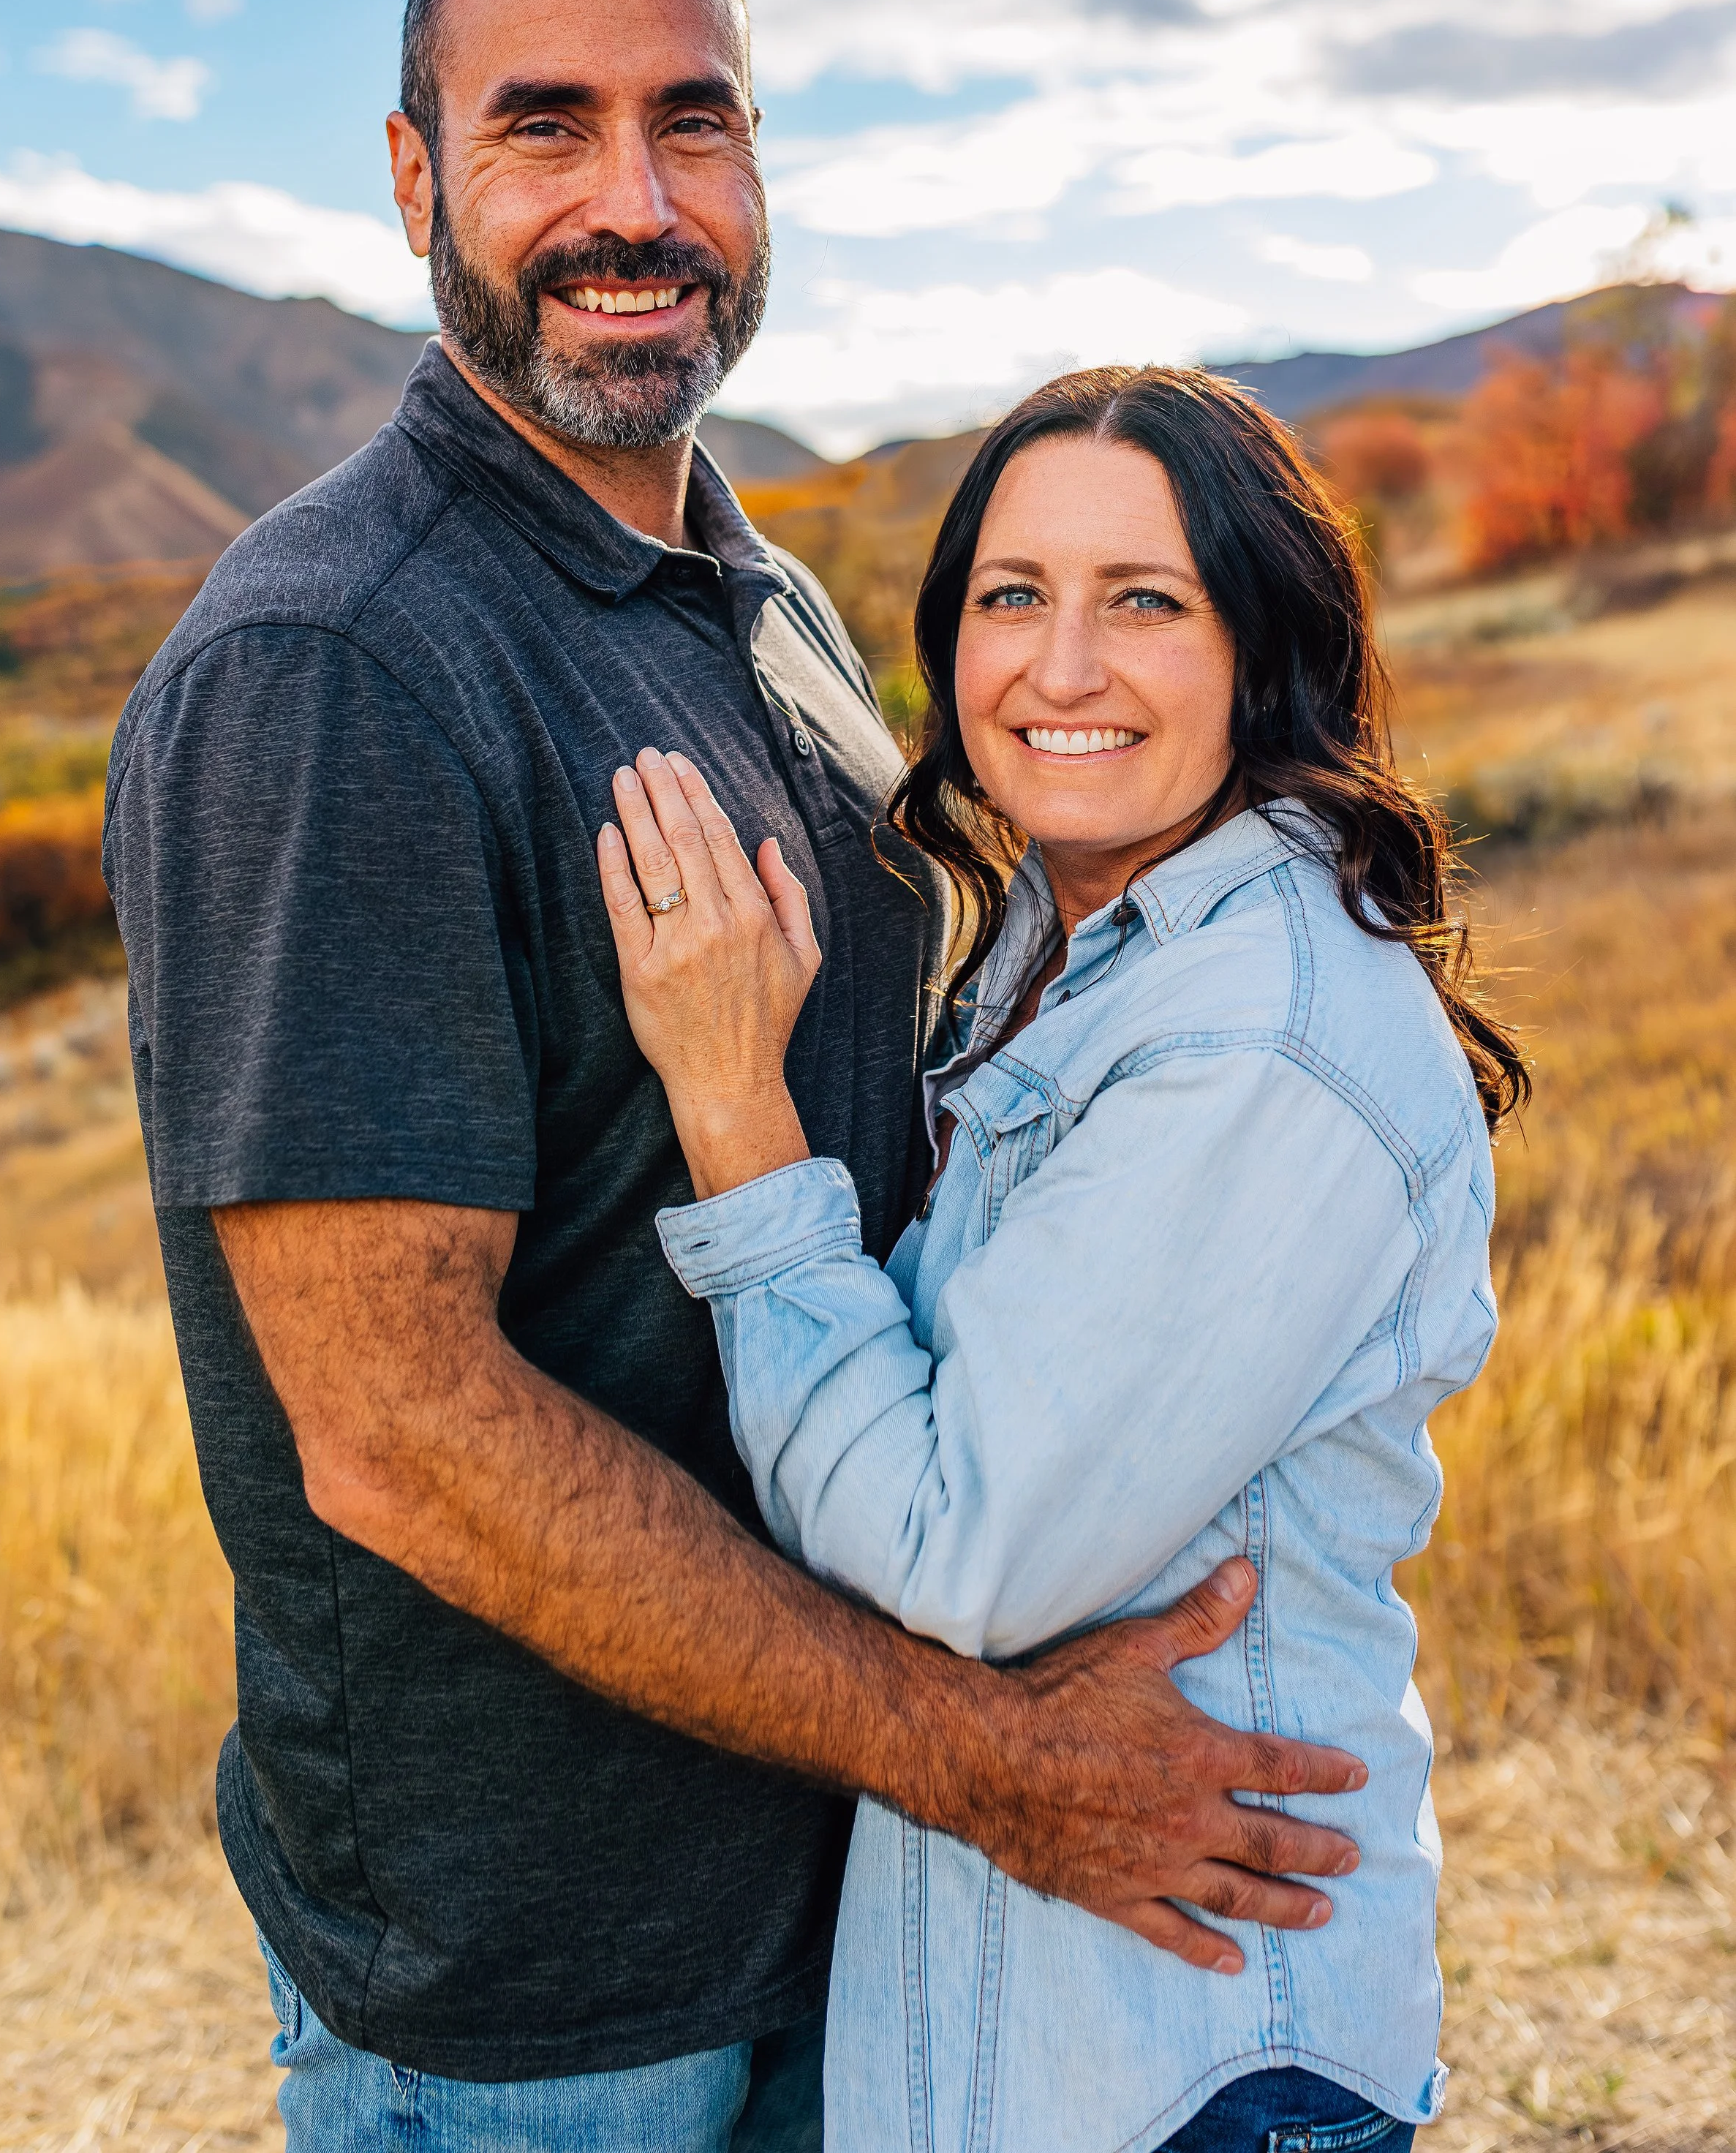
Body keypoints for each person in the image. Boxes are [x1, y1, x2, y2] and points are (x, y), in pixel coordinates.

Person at [104, 0, 1367, 2153]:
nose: (635, 204)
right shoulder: (334, 666)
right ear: (413, 176)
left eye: (695, 124)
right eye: (546, 128)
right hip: (551, 1985)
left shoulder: (751, 587)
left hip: (845, 1886)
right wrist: (983, 1752)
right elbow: (394, 1427)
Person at [597, 363, 1528, 2153]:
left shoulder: (1254, 1036)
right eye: (1011, 597)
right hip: (1028, 2040)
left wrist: (730, 1104)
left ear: (1260, 650)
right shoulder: (1069, 943)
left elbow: (959, 1548)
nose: (1061, 667)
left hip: (1179, 2057)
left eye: (1145, 604)